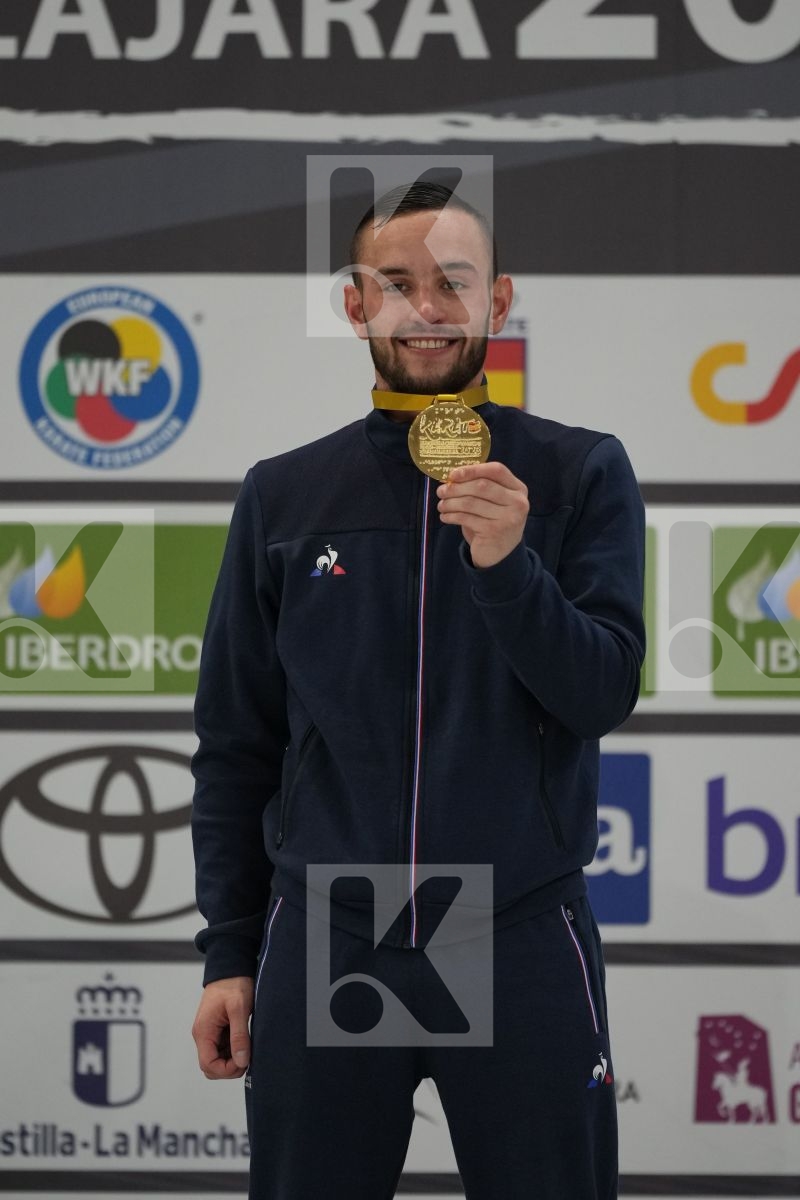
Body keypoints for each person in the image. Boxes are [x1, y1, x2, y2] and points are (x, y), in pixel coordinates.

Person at [190, 180, 646, 1199]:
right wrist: (228, 954)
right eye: (395, 284)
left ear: (498, 299)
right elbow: (235, 742)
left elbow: (601, 691)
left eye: (452, 282)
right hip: (328, 928)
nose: (426, 308)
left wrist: (505, 566)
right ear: (355, 305)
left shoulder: (575, 473)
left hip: (516, 927)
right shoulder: (284, 492)